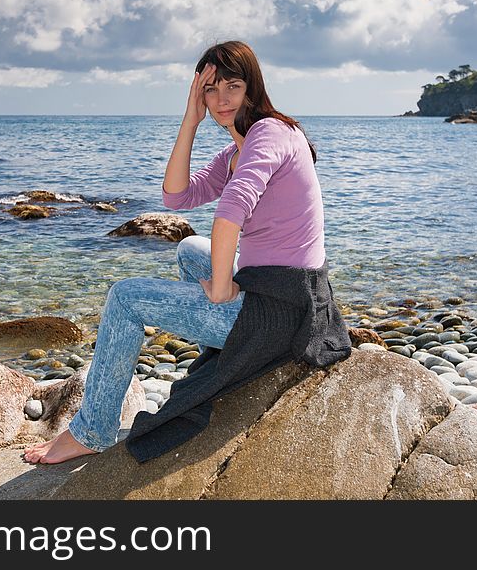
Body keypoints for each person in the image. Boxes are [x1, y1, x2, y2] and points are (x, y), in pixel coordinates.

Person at [23, 40, 325, 464]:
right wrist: (190, 120)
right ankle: (220, 347)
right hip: (282, 292)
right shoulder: (240, 147)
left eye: (232, 87)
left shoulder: (269, 134)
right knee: (189, 248)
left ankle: (92, 430)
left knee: (125, 297)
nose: (221, 99)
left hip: (278, 313)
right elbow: (176, 197)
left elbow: (229, 216)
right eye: (210, 89)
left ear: (252, 88)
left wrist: (221, 288)